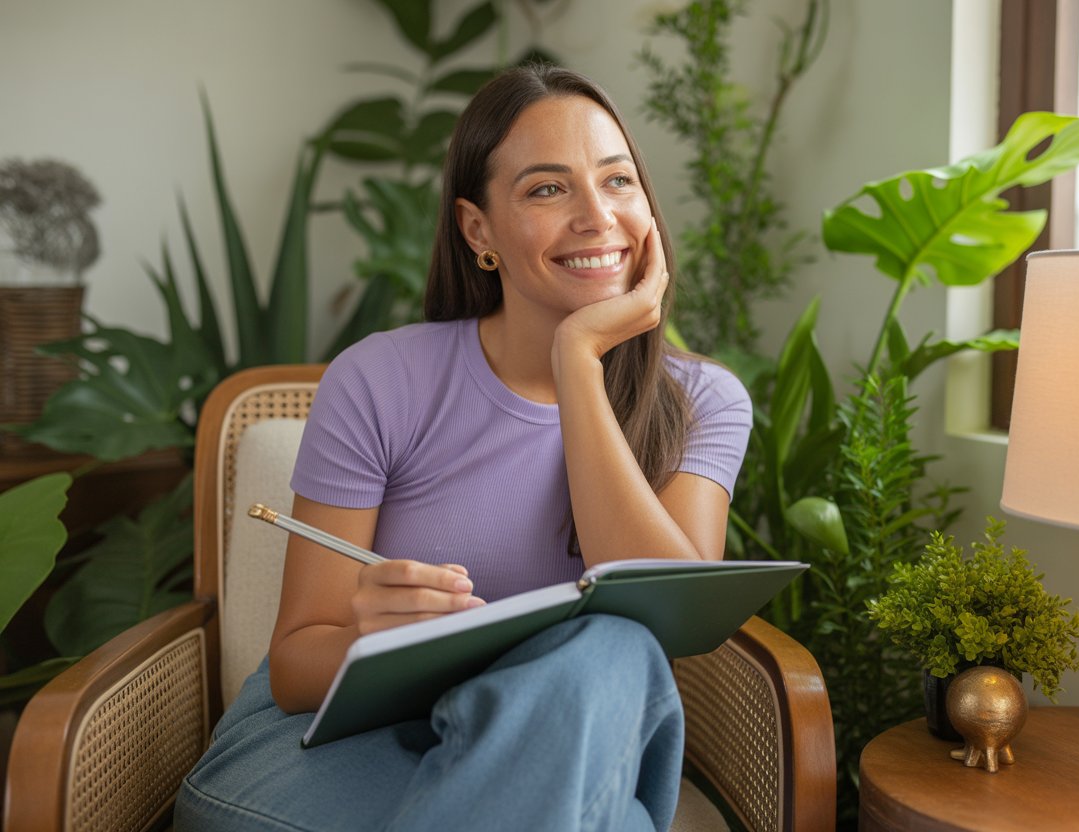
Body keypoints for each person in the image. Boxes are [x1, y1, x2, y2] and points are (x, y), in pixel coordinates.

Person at [175, 63, 753, 831]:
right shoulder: (380, 380)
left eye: (617, 182)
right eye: (548, 189)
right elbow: (294, 666)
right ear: (478, 229)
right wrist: (366, 635)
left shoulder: (703, 402)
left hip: (557, 740)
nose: (595, 216)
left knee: (614, 645)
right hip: (340, 744)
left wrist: (578, 363)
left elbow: (666, 621)